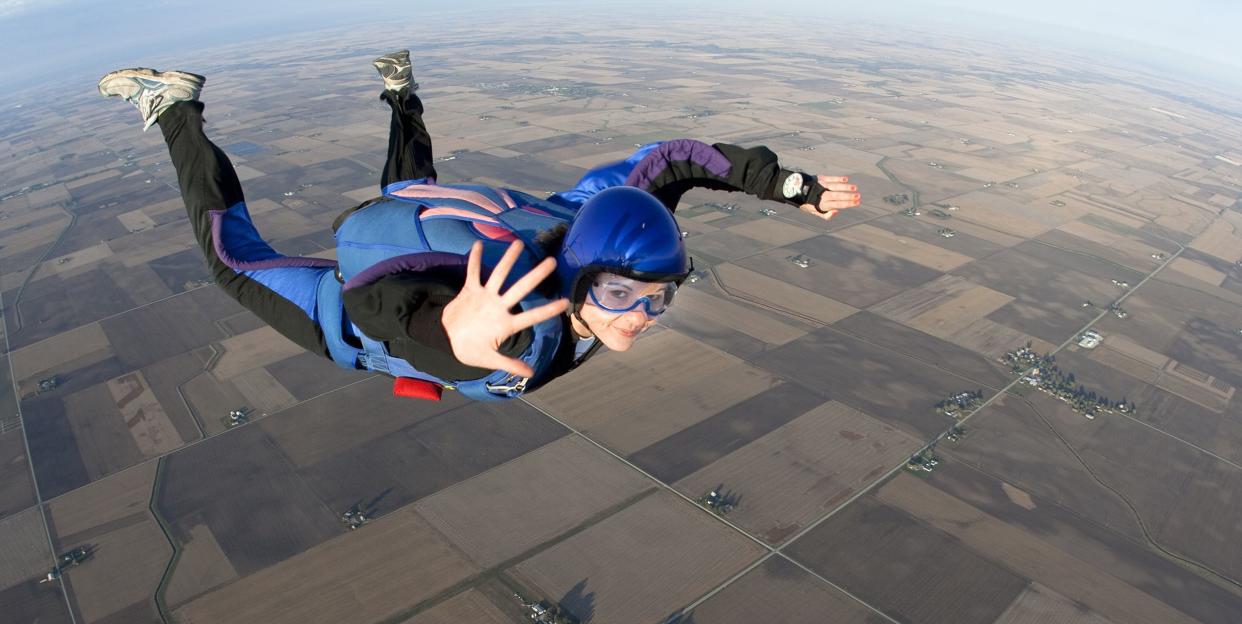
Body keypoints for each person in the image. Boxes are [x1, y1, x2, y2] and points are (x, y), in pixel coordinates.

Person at [97, 50, 861, 402]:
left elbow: (673, 160)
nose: (645, 318)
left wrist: (792, 187)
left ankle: (401, 91)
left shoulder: (586, 213)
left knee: (412, 188)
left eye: (660, 298)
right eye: (627, 294)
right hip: (369, 316)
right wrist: (453, 344)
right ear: (584, 273)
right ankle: (175, 110)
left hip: (433, 248)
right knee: (233, 259)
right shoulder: (522, 333)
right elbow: (371, 302)